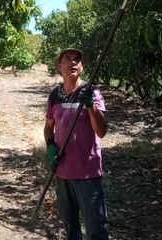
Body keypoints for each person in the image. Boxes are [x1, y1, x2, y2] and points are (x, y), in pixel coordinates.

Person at [44, 48, 108, 240]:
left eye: (77, 59)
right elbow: (48, 127)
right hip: (63, 172)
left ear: (82, 66)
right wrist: (50, 146)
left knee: (96, 228)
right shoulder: (54, 96)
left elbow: (101, 131)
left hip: (87, 172)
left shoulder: (91, 91)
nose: (73, 62)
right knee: (71, 227)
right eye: (67, 59)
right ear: (59, 66)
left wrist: (91, 107)